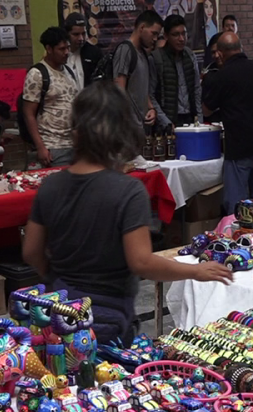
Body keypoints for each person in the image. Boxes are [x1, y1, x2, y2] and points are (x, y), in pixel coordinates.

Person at [23, 83, 232, 345]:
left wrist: (59, 281)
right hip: (105, 317)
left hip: (56, 314)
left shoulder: (50, 186)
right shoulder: (127, 190)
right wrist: (194, 271)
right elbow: (141, 262)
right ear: (121, 134)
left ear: (76, 132)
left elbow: (31, 251)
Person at [202, 32, 253, 215]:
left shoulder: (221, 77)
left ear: (221, 54)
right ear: (241, 48)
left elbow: (207, 110)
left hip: (239, 147)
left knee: (237, 207)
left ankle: (238, 239)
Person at [22, 27, 78, 168]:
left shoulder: (69, 71)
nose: (66, 53)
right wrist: (40, 147)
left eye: (68, 48)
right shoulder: (37, 74)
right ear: (49, 49)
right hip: (52, 145)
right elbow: (29, 114)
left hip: (72, 144)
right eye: (61, 49)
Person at [113, 10, 163, 132]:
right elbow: (119, 90)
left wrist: (151, 109)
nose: (155, 39)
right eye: (153, 33)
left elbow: (142, 88)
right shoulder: (125, 49)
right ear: (142, 28)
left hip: (142, 127)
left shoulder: (143, 53)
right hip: (128, 129)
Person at [150, 15, 202, 129]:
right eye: (176, 34)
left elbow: (197, 89)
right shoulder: (157, 58)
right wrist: (165, 122)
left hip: (190, 118)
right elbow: (150, 94)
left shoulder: (190, 55)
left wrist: (199, 119)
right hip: (168, 120)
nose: (181, 39)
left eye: (184, 33)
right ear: (166, 36)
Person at [63, 13, 103, 91]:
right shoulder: (60, 54)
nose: (81, 38)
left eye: (83, 34)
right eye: (76, 34)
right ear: (67, 34)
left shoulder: (94, 53)